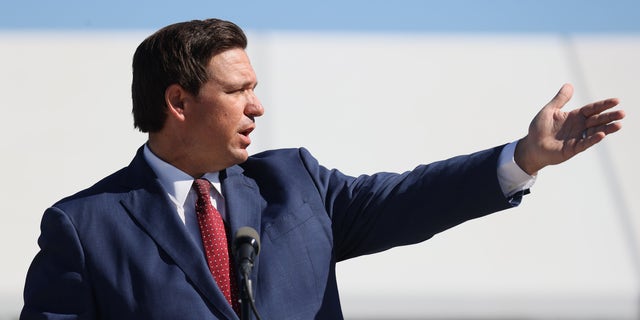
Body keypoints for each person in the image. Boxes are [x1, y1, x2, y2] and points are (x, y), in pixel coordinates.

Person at [20, 18, 625, 320]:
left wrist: (522, 159)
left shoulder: (295, 184)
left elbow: (409, 198)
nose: (258, 106)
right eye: (238, 91)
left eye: (256, 88)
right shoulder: (83, 228)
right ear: (178, 103)